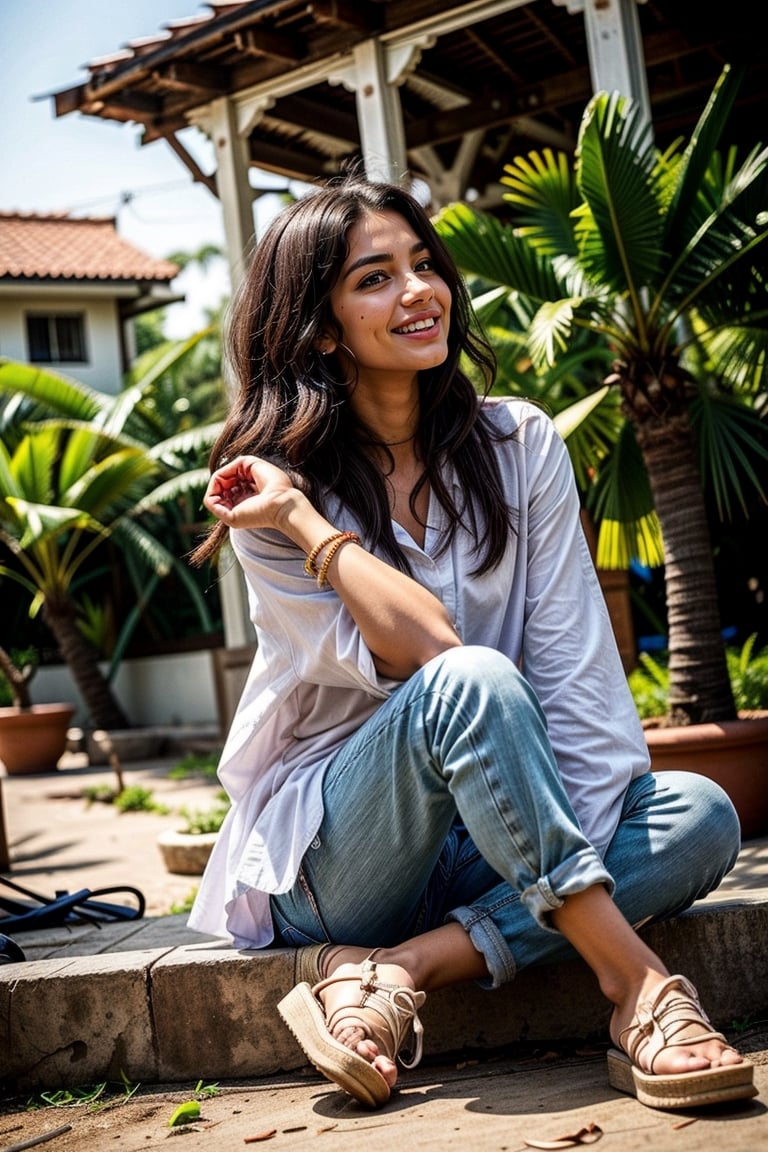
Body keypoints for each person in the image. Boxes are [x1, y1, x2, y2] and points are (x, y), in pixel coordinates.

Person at [188, 174, 756, 1112]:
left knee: (700, 813)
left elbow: (578, 678)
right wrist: (306, 521)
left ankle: (398, 971)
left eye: (424, 265)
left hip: (493, 837)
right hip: (339, 858)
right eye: (376, 277)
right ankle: (639, 989)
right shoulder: (268, 496)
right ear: (321, 327)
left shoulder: (517, 444)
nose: (420, 291)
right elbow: (431, 653)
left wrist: (568, 827)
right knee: (472, 680)